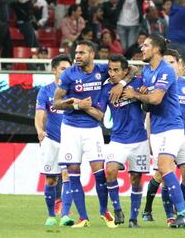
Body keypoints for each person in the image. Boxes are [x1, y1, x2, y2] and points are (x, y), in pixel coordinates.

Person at [53, 40, 133, 228]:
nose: (77, 56)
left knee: (99, 174)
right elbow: (56, 103)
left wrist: (121, 83)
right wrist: (75, 105)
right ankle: (83, 218)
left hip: (92, 130)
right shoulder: (69, 74)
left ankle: (104, 211)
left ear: (92, 54)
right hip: (70, 129)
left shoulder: (103, 70)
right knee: (73, 173)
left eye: (82, 52)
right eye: (77, 52)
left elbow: (132, 70)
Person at [122, 34, 185, 229]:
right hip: (157, 128)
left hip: (171, 127)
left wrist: (135, 94)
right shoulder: (148, 71)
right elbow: (134, 77)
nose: (142, 48)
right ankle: (179, 214)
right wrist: (133, 89)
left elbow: (155, 99)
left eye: (146, 45)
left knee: (165, 168)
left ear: (156, 49)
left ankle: (184, 214)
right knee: (173, 172)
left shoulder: (166, 70)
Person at [142, 49, 185, 225]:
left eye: (171, 62)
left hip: (183, 134)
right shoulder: (158, 83)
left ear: (180, 65)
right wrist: (149, 138)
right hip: (163, 132)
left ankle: (180, 210)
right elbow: (149, 113)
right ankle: (171, 215)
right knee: (164, 173)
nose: (168, 66)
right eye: (165, 62)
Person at [97, 54, 150, 228]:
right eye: (110, 70)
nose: (112, 73)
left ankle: (134, 219)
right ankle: (117, 208)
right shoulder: (106, 89)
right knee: (110, 170)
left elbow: (148, 106)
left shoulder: (138, 83)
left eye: (116, 70)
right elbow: (99, 112)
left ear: (125, 71)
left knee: (136, 178)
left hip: (139, 139)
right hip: (118, 139)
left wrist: (140, 95)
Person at [35, 54, 75, 226]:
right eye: (63, 69)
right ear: (54, 70)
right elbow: (39, 113)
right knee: (51, 179)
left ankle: (65, 215)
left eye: (69, 69)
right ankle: (51, 215)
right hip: (51, 140)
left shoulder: (74, 89)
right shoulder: (45, 90)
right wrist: (39, 130)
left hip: (70, 139)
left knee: (68, 176)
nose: (66, 72)